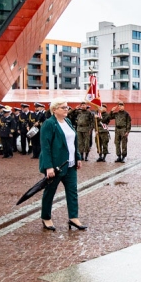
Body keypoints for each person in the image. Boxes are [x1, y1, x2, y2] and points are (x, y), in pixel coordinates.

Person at [39, 98, 86, 231]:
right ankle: (46, 217)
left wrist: (77, 157)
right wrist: (48, 167)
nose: (67, 109)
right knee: (50, 192)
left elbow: (73, 141)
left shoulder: (68, 121)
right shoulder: (49, 124)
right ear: (54, 110)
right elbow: (45, 147)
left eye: (67, 107)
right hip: (56, 166)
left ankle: (73, 218)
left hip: (70, 164)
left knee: (72, 192)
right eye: (63, 107)